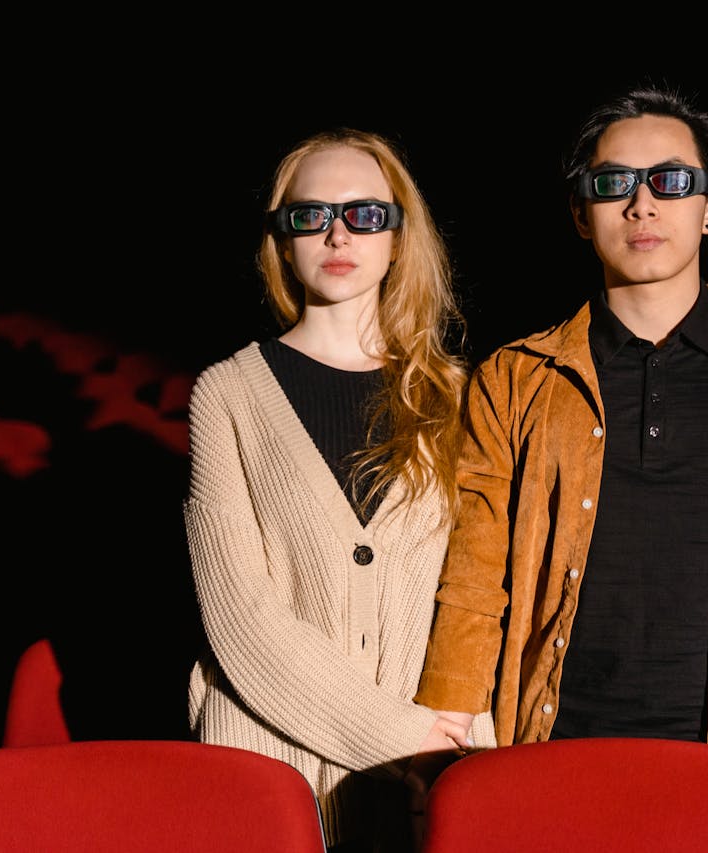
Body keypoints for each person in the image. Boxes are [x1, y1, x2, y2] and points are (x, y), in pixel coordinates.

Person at [411, 85, 708, 851]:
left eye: (670, 180)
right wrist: (444, 740)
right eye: (612, 182)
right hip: (559, 750)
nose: (641, 204)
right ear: (578, 211)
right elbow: (474, 572)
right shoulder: (517, 376)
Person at [184, 128, 495, 853]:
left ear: (397, 236)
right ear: (283, 239)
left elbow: (477, 593)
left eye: (364, 213)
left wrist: (450, 740)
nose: (336, 233)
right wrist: (398, 735)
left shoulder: (460, 399)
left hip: (433, 772)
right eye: (310, 215)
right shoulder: (226, 393)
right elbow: (240, 617)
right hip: (270, 759)